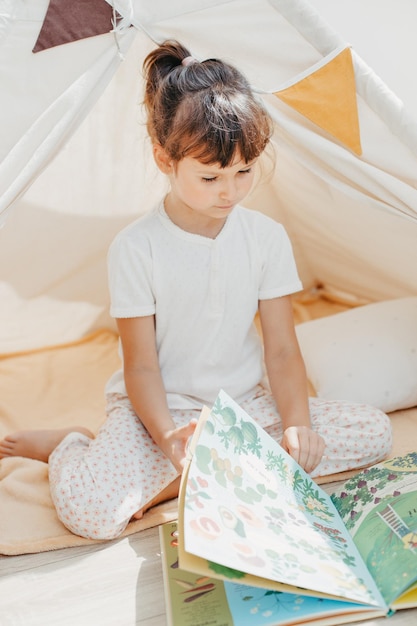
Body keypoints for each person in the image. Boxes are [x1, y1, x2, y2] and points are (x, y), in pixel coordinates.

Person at [0, 40, 392, 540]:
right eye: (210, 177)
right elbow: (140, 366)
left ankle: (171, 485)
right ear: (165, 158)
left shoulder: (265, 238)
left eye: (243, 172)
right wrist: (168, 438)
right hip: (159, 412)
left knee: (373, 431)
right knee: (93, 515)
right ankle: (72, 445)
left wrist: (297, 424)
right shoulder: (135, 248)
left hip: (244, 405)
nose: (229, 191)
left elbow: (281, 349)